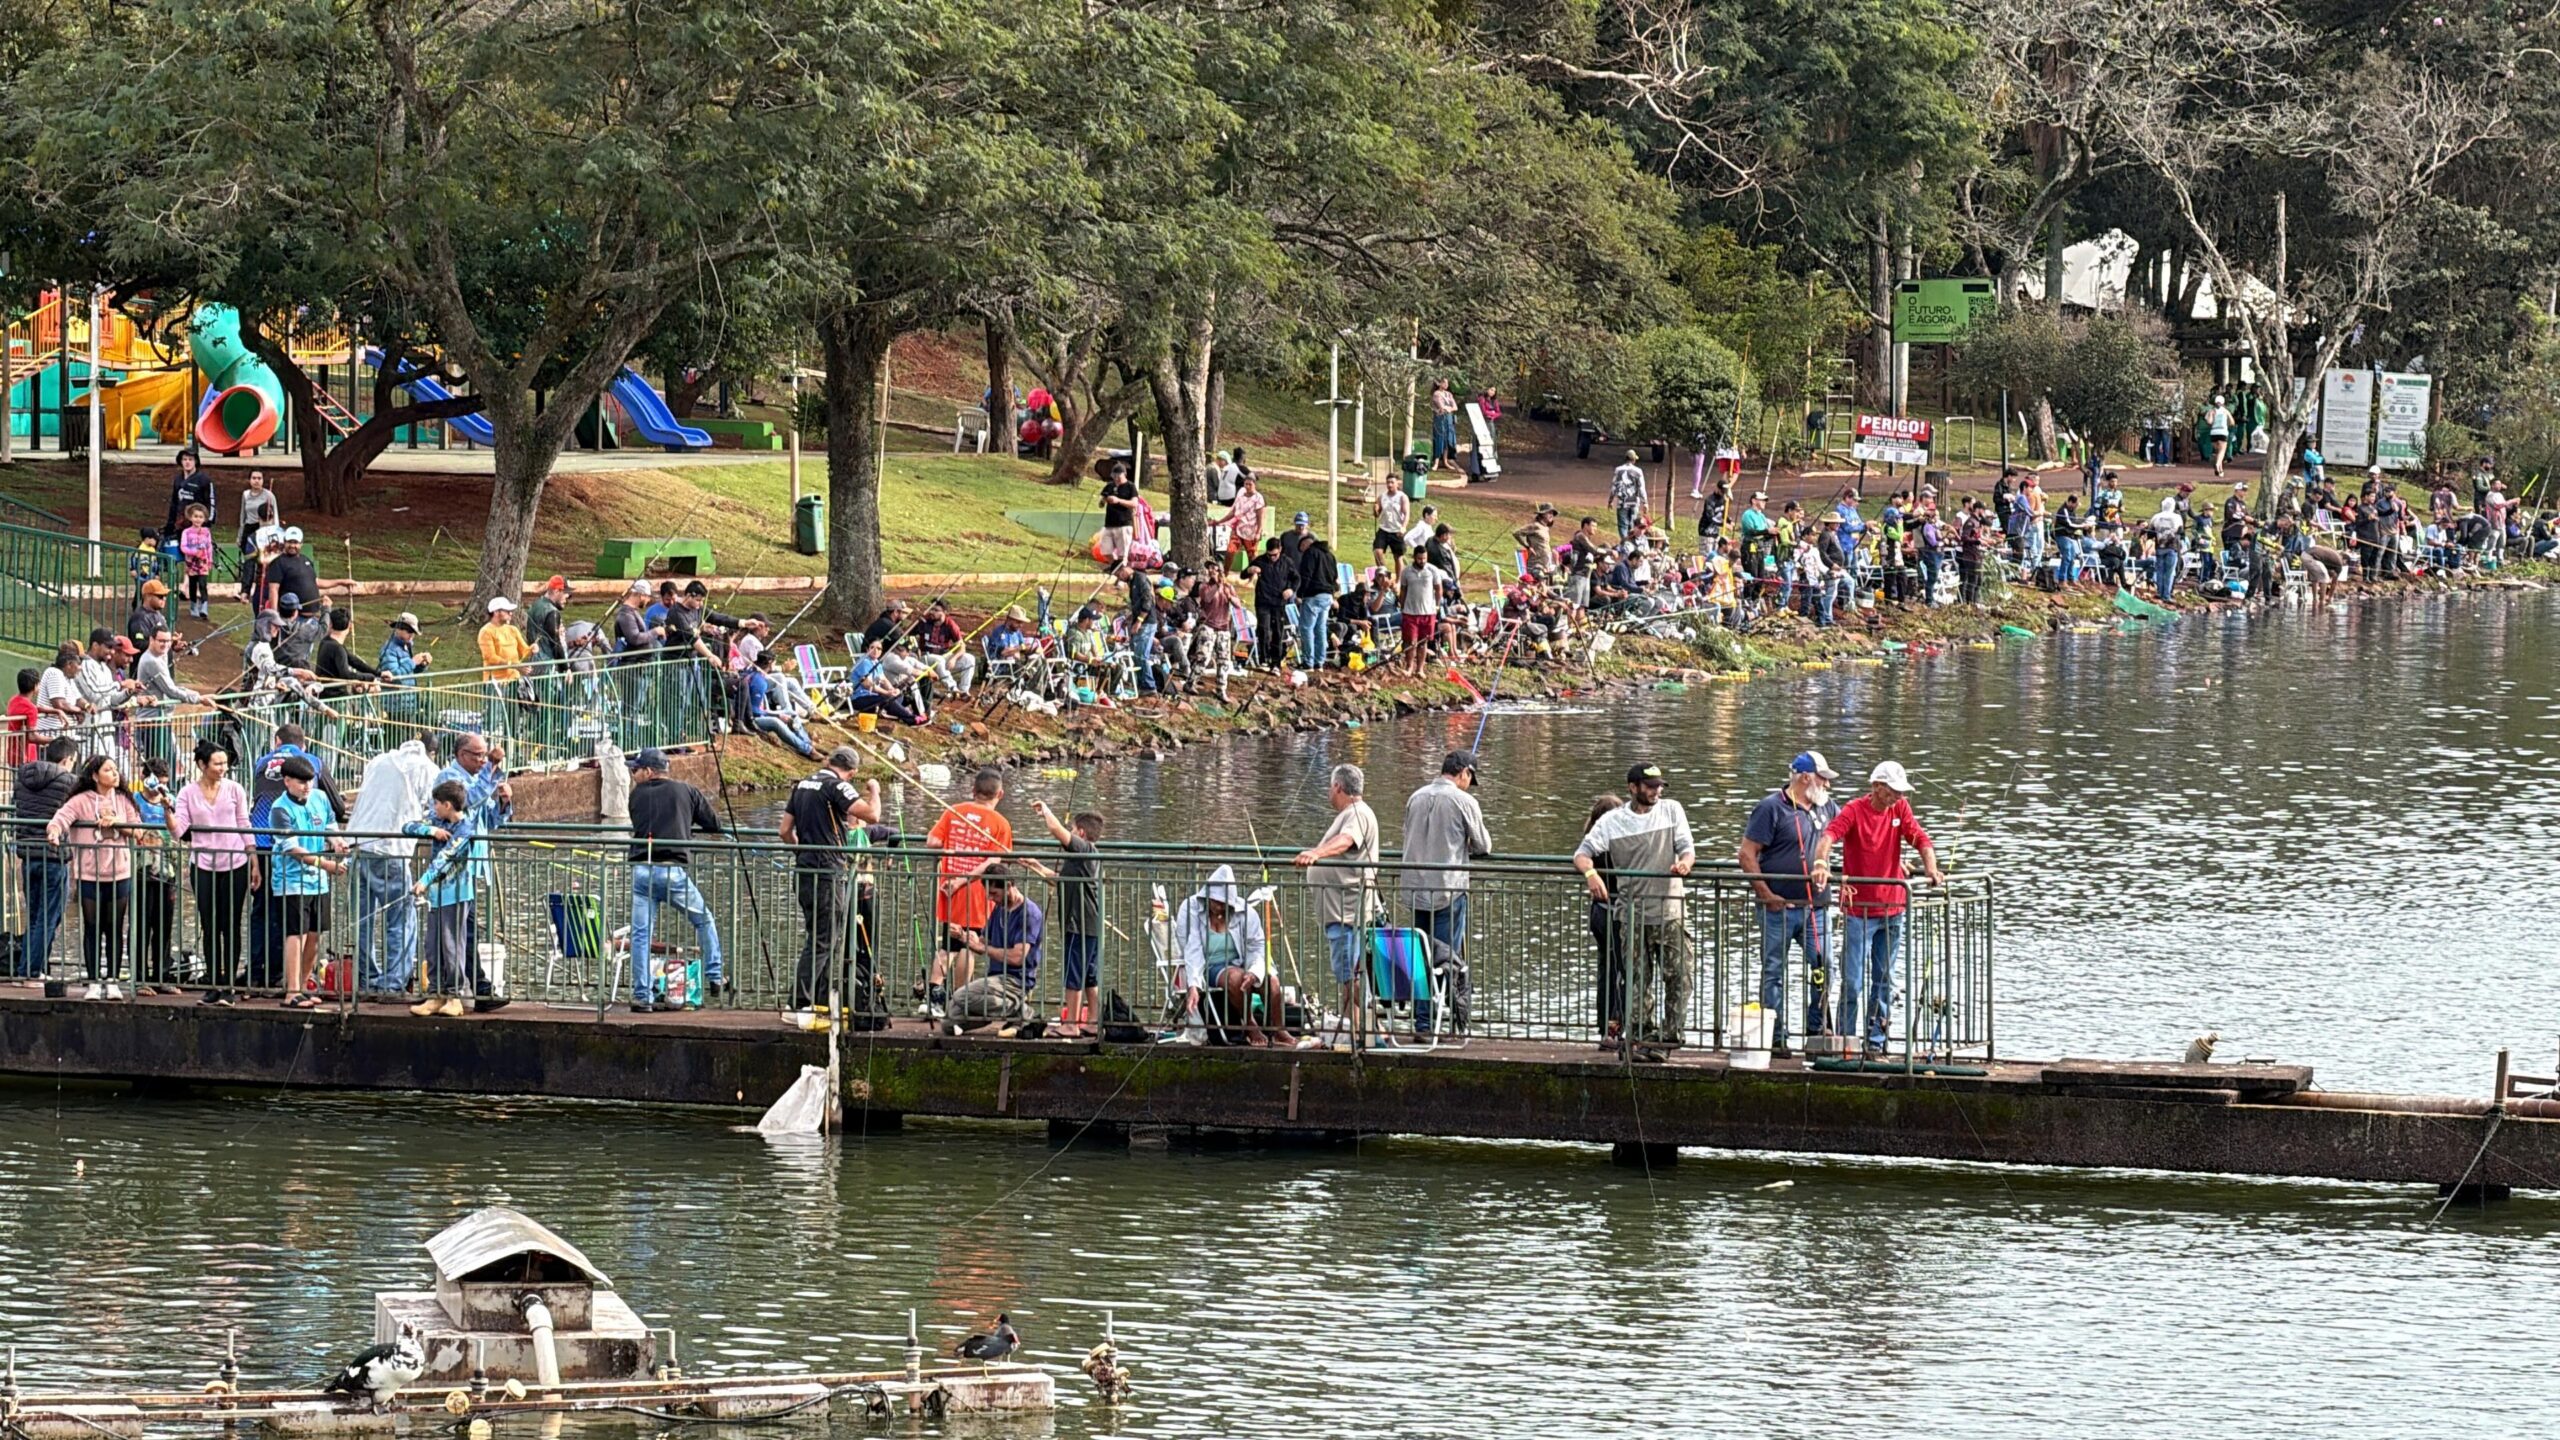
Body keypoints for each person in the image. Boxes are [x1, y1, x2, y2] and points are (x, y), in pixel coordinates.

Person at [1812, 759, 1947, 1057]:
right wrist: (1820, 863)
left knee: (1885, 980)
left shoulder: (1900, 810)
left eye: (1901, 791)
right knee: (1852, 981)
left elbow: (1920, 838)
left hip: (1894, 909)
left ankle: (1876, 1041)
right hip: (1859, 911)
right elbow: (1828, 837)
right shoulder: (1854, 810)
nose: (1899, 797)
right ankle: (1847, 1041)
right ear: (1877, 787)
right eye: (1893, 791)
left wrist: (1931, 869)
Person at [1574, 763, 1697, 1061]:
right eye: (1649, 786)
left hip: (1670, 911)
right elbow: (1581, 854)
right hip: (1631, 914)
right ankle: (1643, 1037)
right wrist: (1591, 876)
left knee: (1681, 976)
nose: (1656, 791)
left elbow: (1687, 847)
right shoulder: (1612, 821)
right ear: (1633, 787)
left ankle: (1669, 1038)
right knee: (1637, 981)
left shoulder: (1672, 810)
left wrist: (1684, 864)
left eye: (1658, 786)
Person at [1738, 750, 1841, 1055]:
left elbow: (1841, 837)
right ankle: (1775, 1036)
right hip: (1778, 909)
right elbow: (1746, 854)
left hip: (1816, 908)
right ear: (1806, 778)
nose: (1828, 785)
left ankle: (1816, 1027)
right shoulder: (1770, 808)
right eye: (1823, 779)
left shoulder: (1828, 808)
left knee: (1825, 966)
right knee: (1773, 971)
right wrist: (1765, 894)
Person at [622, 748, 726, 1012]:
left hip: (643, 871)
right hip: (673, 871)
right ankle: (715, 977)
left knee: (641, 936)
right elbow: (714, 823)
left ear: (649, 771)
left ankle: (642, 997)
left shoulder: (635, 796)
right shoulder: (686, 791)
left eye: (636, 769)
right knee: (703, 919)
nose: (633, 774)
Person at [778, 747, 881, 1016]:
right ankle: (799, 1001)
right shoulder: (837, 786)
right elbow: (872, 816)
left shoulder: (802, 784)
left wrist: (802, 850)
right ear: (852, 772)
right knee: (824, 940)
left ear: (829, 761)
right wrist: (875, 791)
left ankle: (818, 998)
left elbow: (784, 831)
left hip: (804, 871)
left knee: (822, 936)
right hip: (828, 872)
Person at [1400, 750, 1491, 1036]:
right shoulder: (1465, 801)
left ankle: (1423, 1023)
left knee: (1420, 956)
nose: (1469, 784)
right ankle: (1446, 1021)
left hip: (1414, 890)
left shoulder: (1416, 796)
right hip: (1447, 892)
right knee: (1446, 960)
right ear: (1464, 772)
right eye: (1470, 778)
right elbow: (1483, 845)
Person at [347, 739, 440, 998]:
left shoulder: (378, 761)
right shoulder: (426, 768)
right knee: (400, 917)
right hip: (391, 849)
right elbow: (436, 805)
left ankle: (366, 979)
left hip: (359, 844)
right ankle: (392, 982)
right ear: (431, 752)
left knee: (362, 918)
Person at [1293, 763, 1377, 1050]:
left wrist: (1315, 853)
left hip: (1346, 913)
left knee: (1349, 976)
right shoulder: (1351, 813)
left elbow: (1346, 840)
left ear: (1338, 787)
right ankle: (1355, 1031)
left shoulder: (1356, 813)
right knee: (1347, 974)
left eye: (1330, 787)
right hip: (1339, 912)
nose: (1329, 792)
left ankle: (1364, 1032)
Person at [46, 754, 143, 1000]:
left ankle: (111, 980)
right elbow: (61, 818)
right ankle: (92, 981)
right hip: (89, 873)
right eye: (108, 769)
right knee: (92, 926)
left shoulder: (123, 800)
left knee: (114, 926)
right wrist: (54, 832)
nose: (114, 773)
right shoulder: (81, 801)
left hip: (119, 872)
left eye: (115, 769)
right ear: (94, 775)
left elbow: (138, 830)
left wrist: (118, 822)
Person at [922, 766, 1013, 1018]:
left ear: (973, 790)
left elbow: (932, 842)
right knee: (968, 947)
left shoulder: (954, 812)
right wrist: (966, 879)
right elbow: (995, 861)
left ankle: (934, 997)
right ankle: (959, 1001)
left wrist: (950, 851)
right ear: (1000, 794)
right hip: (979, 894)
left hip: (948, 889)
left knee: (948, 947)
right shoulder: (1000, 823)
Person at [169, 738, 253, 1005]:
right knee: (210, 923)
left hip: (235, 861)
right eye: (217, 763)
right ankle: (213, 981)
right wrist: (165, 810)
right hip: (203, 863)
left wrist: (253, 857)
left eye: (225, 763)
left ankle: (229, 983)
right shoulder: (187, 793)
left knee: (231, 924)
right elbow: (179, 829)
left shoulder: (235, 789)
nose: (222, 768)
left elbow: (243, 822)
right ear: (201, 765)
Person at [1169, 864, 1286, 1046]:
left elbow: (1258, 946)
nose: (1218, 907)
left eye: (1223, 904)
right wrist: (1193, 984)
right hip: (1209, 966)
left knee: (1272, 981)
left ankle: (1278, 1030)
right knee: (1235, 977)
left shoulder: (1245, 911)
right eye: (1215, 901)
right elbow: (1191, 949)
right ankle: (1249, 1025)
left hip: (1241, 960)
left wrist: (1255, 971)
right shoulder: (1190, 908)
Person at [264, 754, 344, 1007]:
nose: (307, 786)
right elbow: (292, 849)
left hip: (319, 881)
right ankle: (292, 991)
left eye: (310, 781)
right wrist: (326, 864)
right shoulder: (279, 809)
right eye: (301, 782)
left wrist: (337, 842)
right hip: (291, 881)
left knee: (314, 934)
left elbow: (330, 825)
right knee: (294, 934)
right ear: (287, 781)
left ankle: (304, 984)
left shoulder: (320, 797)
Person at [400, 780, 484, 1017]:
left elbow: (445, 858)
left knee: (451, 945)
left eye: (437, 804)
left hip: (456, 896)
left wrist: (424, 881)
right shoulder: (437, 821)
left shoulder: (465, 829)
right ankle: (435, 994)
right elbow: (408, 826)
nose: (434, 807)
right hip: (437, 898)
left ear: (447, 805)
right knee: (432, 945)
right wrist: (431, 831)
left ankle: (454, 996)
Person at [941, 863, 1044, 1035]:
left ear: (1009, 886)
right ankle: (1001, 1010)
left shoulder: (1029, 913)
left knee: (961, 996)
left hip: (1016, 980)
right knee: (948, 1023)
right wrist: (962, 936)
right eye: (989, 894)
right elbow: (982, 941)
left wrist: (984, 948)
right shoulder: (999, 908)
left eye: (994, 893)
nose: (991, 898)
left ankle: (1020, 1010)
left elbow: (1017, 957)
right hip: (995, 979)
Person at [1032, 800, 1105, 1038]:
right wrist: (1036, 866)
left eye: (1073, 829)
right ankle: (1093, 1021)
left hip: (1079, 923)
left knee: (1074, 973)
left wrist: (1046, 809)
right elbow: (1060, 880)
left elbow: (1055, 830)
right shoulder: (1082, 858)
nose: (1070, 833)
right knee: (1089, 975)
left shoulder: (1084, 849)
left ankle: (1071, 1024)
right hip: (1090, 924)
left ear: (1081, 833)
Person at [10, 736, 81, 981]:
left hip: (28, 854)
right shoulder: (70, 782)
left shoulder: (22, 776)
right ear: (67, 759)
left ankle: (29, 970)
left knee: (34, 916)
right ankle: (32, 971)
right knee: (49, 917)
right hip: (54, 854)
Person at [1293, 523, 1340, 668]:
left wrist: (1300, 594)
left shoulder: (1310, 553)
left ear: (1307, 544)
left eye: (1301, 549)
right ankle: (1319, 662)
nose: (1302, 553)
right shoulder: (1330, 555)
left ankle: (1308, 661)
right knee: (1320, 628)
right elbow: (1335, 577)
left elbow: (1306, 575)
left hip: (1313, 595)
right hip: (1327, 596)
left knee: (1306, 628)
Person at [1247, 537, 1293, 669]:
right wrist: (1250, 570)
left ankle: (1276, 661)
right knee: (1263, 629)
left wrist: (1290, 589)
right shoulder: (1261, 560)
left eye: (1275, 555)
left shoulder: (1287, 562)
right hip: (1263, 601)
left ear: (1280, 550)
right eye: (1269, 555)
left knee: (1278, 631)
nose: (1272, 557)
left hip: (1279, 602)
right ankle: (1264, 658)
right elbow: (1244, 574)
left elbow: (1296, 578)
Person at [164, 448, 215, 541]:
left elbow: (211, 502)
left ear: (195, 461)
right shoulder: (178, 480)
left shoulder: (204, 480)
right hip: (181, 524)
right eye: (185, 459)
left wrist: (207, 522)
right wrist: (170, 523)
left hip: (198, 524)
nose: (187, 462)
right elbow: (174, 503)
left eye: (190, 459)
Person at [1097, 458, 1140, 564]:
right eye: (1114, 476)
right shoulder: (1110, 486)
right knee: (1105, 551)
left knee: (1123, 554)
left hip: (1124, 524)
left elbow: (1134, 504)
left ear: (1124, 474)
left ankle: (1121, 571)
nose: (1116, 479)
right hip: (1109, 524)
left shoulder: (1130, 486)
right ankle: (1115, 567)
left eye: (1118, 476)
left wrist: (1118, 501)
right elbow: (1101, 503)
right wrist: (1104, 500)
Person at [177, 504, 216, 620]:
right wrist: (194, 552)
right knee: (193, 585)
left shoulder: (206, 532)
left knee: (203, 584)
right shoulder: (186, 532)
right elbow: (183, 547)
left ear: (204, 519)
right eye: (195, 516)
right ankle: (193, 606)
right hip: (191, 562)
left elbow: (209, 547)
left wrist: (210, 561)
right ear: (190, 517)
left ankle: (204, 607)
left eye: (200, 517)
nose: (198, 519)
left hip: (203, 562)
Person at [524, 575, 570, 673]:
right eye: (565, 593)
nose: (567, 597)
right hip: (548, 667)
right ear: (557, 591)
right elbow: (555, 643)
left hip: (534, 662)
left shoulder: (535, 605)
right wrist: (565, 668)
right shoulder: (552, 612)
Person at [1226, 474, 1267, 573]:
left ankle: (1251, 577)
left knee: (1251, 555)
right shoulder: (1241, 494)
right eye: (1246, 484)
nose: (1247, 486)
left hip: (1252, 531)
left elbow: (1260, 517)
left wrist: (1258, 532)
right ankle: (1225, 572)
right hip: (1239, 529)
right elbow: (1235, 511)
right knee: (1230, 551)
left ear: (1254, 485)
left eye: (1250, 484)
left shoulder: (1259, 498)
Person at [1373, 477, 1411, 573]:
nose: (1390, 485)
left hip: (1396, 530)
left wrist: (1403, 527)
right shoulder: (1382, 497)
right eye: (1388, 482)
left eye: (1392, 482)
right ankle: (1384, 573)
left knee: (1398, 557)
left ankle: (1398, 580)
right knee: (1377, 551)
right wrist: (1375, 509)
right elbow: (1377, 515)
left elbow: (1406, 514)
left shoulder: (1402, 497)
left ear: (1397, 484)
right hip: (1384, 529)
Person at [1609, 450, 1647, 540]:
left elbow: (1614, 486)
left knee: (1622, 524)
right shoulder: (1638, 471)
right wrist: (1645, 502)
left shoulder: (1618, 470)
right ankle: (1631, 540)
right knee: (1633, 523)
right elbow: (1641, 487)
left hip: (1622, 501)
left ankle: (1625, 541)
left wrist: (1610, 500)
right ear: (1634, 460)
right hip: (1634, 501)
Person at [1428, 378, 1461, 471]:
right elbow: (1441, 407)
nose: (1446, 384)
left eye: (1447, 382)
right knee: (1439, 439)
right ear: (1439, 383)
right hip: (1439, 419)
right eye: (1444, 382)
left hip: (1449, 419)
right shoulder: (1436, 394)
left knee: (1447, 440)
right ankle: (1436, 462)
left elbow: (1455, 407)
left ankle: (1445, 461)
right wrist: (1449, 408)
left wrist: (1449, 408)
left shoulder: (1449, 394)